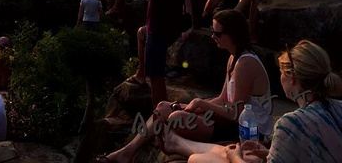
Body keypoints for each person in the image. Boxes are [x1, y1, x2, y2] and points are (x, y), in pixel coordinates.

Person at [96, 10, 272, 163]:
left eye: (217, 33)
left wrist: (201, 105)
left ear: (232, 35)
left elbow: (237, 112)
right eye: (212, 31)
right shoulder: (234, 58)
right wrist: (196, 105)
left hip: (248, 129)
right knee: (163, 107)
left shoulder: (246, 64)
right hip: (231, 120)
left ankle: (173, 143)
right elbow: (223, 99)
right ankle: (126, 152)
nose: (213, 37)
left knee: (176, 118)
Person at [161, 40, 342, 163]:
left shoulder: (291, 123)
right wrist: (269, 154)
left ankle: (177, 144)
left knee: (198, 160)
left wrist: (234, 158)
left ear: (291, 78)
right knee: (232, 151)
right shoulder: (338, 108)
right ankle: (176, 143)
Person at [120, 0, 187, 107]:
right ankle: (140, 73)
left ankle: (161, 115)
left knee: (156, 77)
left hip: (158, 31)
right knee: (140, 33)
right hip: (172, 27)